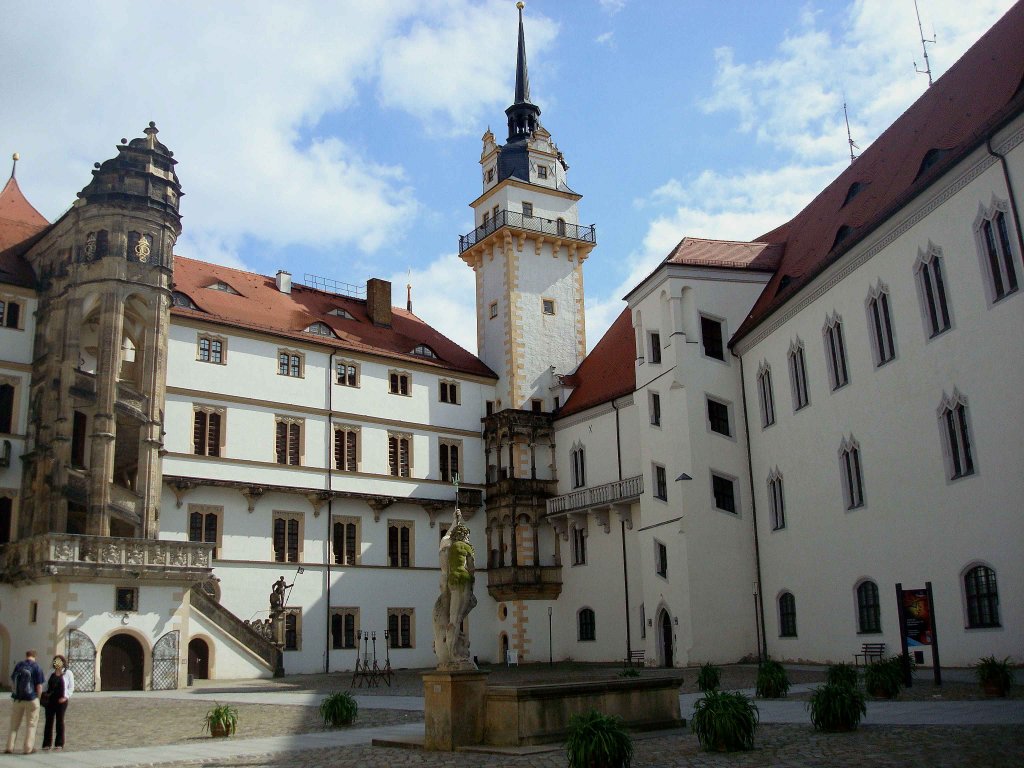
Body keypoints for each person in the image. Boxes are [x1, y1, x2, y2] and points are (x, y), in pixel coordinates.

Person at [6, 649, 45, 755]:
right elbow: (39, 686)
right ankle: (28, 748)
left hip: (18, 699)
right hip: (31, 698)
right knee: (31, 725)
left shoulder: (19, 666)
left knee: (14, 724)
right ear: (34, 656)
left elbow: (13, 681)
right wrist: (38, 698)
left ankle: (9, 747)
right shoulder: (37, 667)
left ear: (26, 655)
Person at [41, 655, 74, 751]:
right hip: (50, 700)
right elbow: (45, 684)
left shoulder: (68, 673)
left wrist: (65, 697)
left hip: (61, 700)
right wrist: (43, 695)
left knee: (60, 721)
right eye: (56, 661)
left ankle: (59, 743)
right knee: (49, 722)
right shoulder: (51, 672)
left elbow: (71, 688)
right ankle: (46, 743)